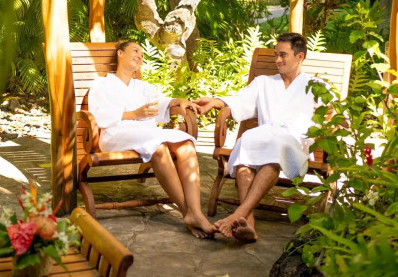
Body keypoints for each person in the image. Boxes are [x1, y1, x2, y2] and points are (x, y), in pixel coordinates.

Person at [193, 32, 326, 243]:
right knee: (246, 144)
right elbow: (239, 101)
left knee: (276, 150)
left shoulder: (317, 86)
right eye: (275, 55)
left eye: (283, 55)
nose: (277, 60)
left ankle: (239, 214)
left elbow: (338, 117)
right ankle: (249, 225)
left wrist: (329, 118)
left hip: (293, 143)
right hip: (265, 137)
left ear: (300, 56)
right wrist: (216, 101)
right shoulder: (264, 82)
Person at [87, 40, 216, 238]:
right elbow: (98, 114)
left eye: (141, 54)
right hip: (116, 133)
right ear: (120, 54)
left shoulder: (143, 86)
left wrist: (178, 101)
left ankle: (195, 212)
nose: (139, 55)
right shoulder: (102, 83)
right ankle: (187, 213)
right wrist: (133, 114)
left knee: (186, 144)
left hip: (146, 133)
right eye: (135, 50)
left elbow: (160, 103)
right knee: (159, 147)